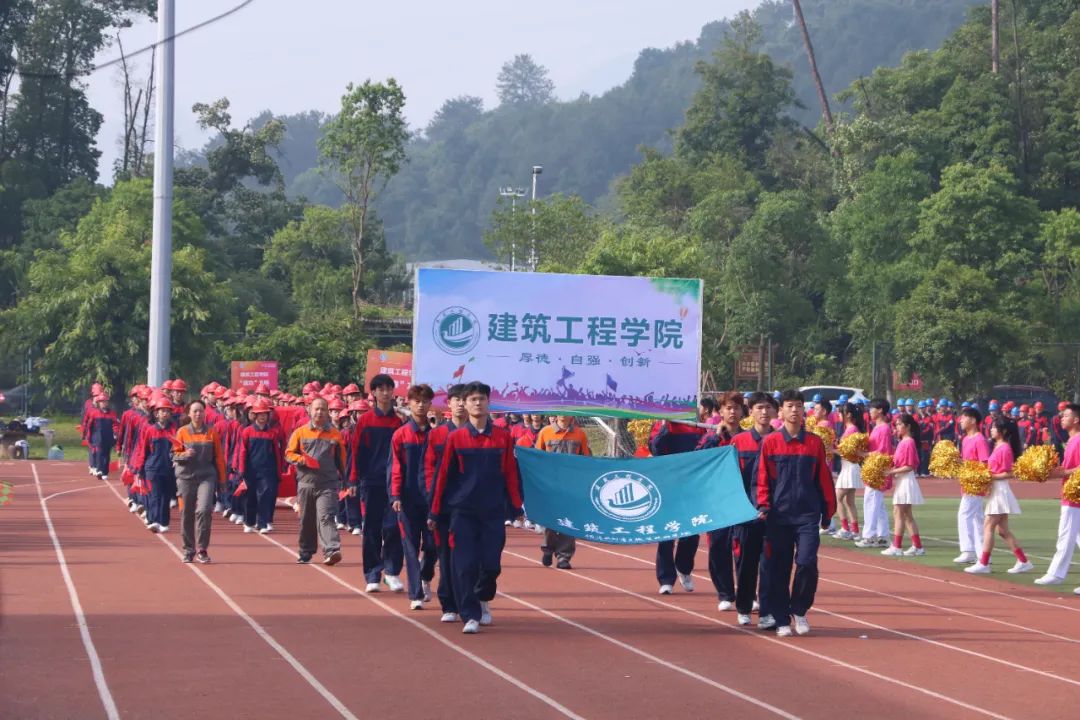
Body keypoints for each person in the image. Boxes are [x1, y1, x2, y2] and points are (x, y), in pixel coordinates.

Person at [429, 381, 523, 634]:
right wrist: (434, 511)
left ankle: (483, 596)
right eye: (472, 399)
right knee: (464, 565)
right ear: (466, 404)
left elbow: (510, 473)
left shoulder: (502, 438)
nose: (477, 403)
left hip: (493, 511)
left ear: (488, 403)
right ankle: (470, 614)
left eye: (482, 399)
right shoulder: (456, 438)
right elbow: (442, 476)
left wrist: (516, 506)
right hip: (463, 512)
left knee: (491, 565)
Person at [755, 390, 836, 637]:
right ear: (781, 411)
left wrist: (828, 510)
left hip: (807, 515)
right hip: (778, 516)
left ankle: (799, 609)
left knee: (806, 563)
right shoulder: (771, 442)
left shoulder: (814, 443)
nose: (794, 410)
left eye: (798, 406)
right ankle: (781, 618)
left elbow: (823, 478)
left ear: (804, 410)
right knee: (779, 568)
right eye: (789, 406)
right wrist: (763, 505)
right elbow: (762, 477)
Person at [350, 374, 405, 593]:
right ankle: (372, 574)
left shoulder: (399, 421)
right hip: (371, 482)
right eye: (380, 389)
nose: (385, 392)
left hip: (394, 484)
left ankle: (391, 572)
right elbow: (355, 452)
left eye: (388, 388)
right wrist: (353, 480)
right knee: (372, 528)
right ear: (373, 393)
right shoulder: (365, 421)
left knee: (393, 528)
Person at [727, 391, 774, 626]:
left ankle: (767, 611)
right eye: (759, 408)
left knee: (770, 565)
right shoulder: (739, 441)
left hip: (773, 514)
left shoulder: (779, 440)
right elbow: (730, 477)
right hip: (745, 514)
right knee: (746, 563)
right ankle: (744, 606)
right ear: (751, 411)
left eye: (768, 407)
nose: (764, 412)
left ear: (774, 411)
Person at [966, 417, 1033, 574]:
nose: (991, 430)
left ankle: (984, 563)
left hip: (1000, 491)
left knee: (988, 526)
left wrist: (990, 477)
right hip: (996, 490)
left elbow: (1009, 472)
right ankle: (1023, 561)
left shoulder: (1005, 448)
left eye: (994, 427)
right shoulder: (998, 446)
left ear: (1003, 431)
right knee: (1002, 531)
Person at [390, 384, 436, 610]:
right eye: (417, 401)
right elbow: (395, 467)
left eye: (425, 401)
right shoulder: (401, 434)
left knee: (433, 545)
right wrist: (395, 495)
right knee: (410, 546)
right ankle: (415, 593)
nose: (421, 405)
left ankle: (426, 575)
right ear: (409, 403)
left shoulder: (436, 434)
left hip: (432, 500)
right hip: (407, 499)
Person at [424, 383, 468, 623]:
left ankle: (473, 600)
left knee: (472, 555)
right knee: (446, 554)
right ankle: (449, 604)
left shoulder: (478, 434)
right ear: (448, 403)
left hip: (471, 504)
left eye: (464, 399)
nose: (461, 403)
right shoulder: (437, 434)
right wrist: (432, 499)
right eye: (456, 399)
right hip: (444, 504)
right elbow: (429, 469)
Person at [286, 396, 347, 565]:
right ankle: (306, 551)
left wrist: (346, 480)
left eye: (323, 409)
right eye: (316, 409)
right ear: (309, 411)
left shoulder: (335, 434)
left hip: (327, 484)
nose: (320, 412)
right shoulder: (300, 432)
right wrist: (302, 460)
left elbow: (341, 459)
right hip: (306, 483)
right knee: (307, 519)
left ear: (328, 412)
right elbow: (289, 454)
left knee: (326, 516)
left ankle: (331, 550)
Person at [649, 415, 706, 594]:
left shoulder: (697, 425)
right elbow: (655, 448)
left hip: (692, 484)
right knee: (667, 533)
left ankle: (684, 568)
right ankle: (666, 579)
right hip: (668, 484)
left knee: (692, 531)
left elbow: (705, 450)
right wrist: (664, 427)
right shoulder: (661, 424)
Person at [698, 391, 744, 608]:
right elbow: (699, 457)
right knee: (718, 547)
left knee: (744, 549)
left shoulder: (748, 437)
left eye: (736, 408)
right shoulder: (711, 438)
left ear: (743, 411)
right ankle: (725, 593)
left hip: (742, 499)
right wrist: (716, 436)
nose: (732, 412)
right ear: (721, 411)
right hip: (717, 500)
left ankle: (747, 593)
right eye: (728, 408)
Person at [534, 415, 591, 570]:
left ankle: (564, 556)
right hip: (550, 484)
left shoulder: (580, 434)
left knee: (569, 521)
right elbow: (536, 457)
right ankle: (548, 548)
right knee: (550, 520)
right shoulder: (545, 432)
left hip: (571, 484)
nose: (563, 414)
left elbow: (586, 458)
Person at [173, 401, 227, 563]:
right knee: (186, 513)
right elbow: (174, 455)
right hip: (186, 478)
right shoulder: (182, 432)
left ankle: (202, 549)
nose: (198, 414)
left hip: (206, 477)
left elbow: (219, 458)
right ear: (189, 413)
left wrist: (222, 480)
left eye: (201, 411)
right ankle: (188, 549)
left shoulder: (211, 432)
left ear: (205, 413)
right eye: (195, 411)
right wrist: (184, 455)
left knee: (204, 510)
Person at [1035, 403, 1080, 592]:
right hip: (1072, 493)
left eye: (1066, 415)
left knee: (1065, 535)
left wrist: (1059, 473)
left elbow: (1075, 469)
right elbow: (1068, 468)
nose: (1062, 418)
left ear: (1076, 420)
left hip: (1074, 496)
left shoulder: (1077, 441)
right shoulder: (1071, 441)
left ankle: (1056, 574)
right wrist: (1046, 471)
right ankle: (1056, 574)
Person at [130, 393, 180, 533]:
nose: (165, 413)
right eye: (162, 411)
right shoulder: (150, 430)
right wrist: (139, 469)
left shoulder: (174, 430)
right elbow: (142, 449)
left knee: (165, 496)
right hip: (152, 469)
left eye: (167, 411)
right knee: (154, 495)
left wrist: (179, 460)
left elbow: (180, 448)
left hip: (169, 469)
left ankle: (163, 522)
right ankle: (153, 520)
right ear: (156, 413)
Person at [238, 398, 285, 534]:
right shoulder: (247, 432)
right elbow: (242, 451)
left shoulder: (272, 433)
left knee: (265, 496)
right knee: (250, 497)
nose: (262, 417)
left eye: (265, 414)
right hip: (251, 470)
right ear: (254, 415)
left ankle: (262, 523)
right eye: (260, 414)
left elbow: (277, 454)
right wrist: (242, 469)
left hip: (268, 471)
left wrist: (278, 470)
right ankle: (249, 522)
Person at [881, 414, 925, 557]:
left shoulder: (908, 442)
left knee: (899, 513)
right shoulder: (903, 442)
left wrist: (891, 471)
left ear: (908, 426)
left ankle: (897, 546)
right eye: (897, 424)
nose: (897, 427)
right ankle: (917, 546)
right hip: (902, 480)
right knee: (906, 515)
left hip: (906, 480)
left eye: (900, 424)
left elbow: (910, 466)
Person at [855, 399, 892, 548]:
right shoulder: (876, 427)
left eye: (872, 408)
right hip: (873, 468)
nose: (869, 411)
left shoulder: (884, 428)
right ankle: (883, 536)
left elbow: (882, 451)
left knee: (871, 502)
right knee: (878, 504)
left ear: (880, 410)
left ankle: (869, 536)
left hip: (877, 471)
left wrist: (863, 454)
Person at [956, 407, 990, 564]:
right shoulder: (965, 439)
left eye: (964, 417)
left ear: (973, 420)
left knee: (964, 514)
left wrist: (977, 480)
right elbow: (966, 462)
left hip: (975, 484)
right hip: (967, 482)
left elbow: (984, 463)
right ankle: (982, 553)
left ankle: (968, 550)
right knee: (977, 519)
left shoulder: (980, 439)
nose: (961, 420)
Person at [833, 402, 864, 541]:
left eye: (841, 412)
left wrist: (830, 449)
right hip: (848, 467)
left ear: (849, 414)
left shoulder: (852, 430)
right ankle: (855, 531)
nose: (839, 415)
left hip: (849, 466)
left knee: (837, 498)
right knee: (849, 501)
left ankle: (845, 528)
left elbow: (849, 452)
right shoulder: (850, 429)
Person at [83, 393, 119, 481]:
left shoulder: (112, 414)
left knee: (106, 455)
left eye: (105, 401)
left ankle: (105, 472)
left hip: (108, 437)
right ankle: (99, 470)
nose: (104, 403)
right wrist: (88, 435)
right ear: (98, 403)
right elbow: (90, 425)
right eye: (102, 402)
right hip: (97, 437)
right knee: (99, 453)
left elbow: (116, 424)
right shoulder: (94, 413)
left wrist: (115, 433)